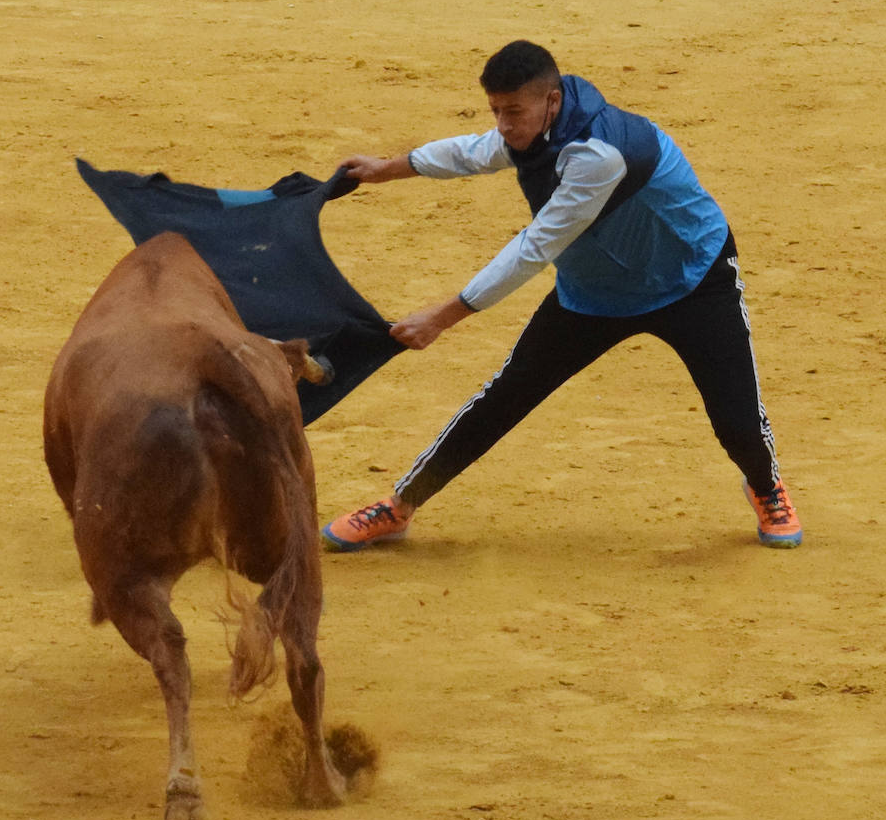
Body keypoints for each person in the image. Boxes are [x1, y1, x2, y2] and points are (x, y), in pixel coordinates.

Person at [321, 40, 802, 552]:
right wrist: (386, 168)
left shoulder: (601, 154)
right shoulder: (537, 126)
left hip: (691, 278)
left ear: (550, 101)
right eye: (496, 111)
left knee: (736, 415)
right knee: (502, 399)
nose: (503, 124)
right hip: (594, 292)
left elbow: (537, 245)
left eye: (513, 111)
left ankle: (766, 487)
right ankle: (400, 506)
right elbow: (473, 151)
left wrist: (443, 316)